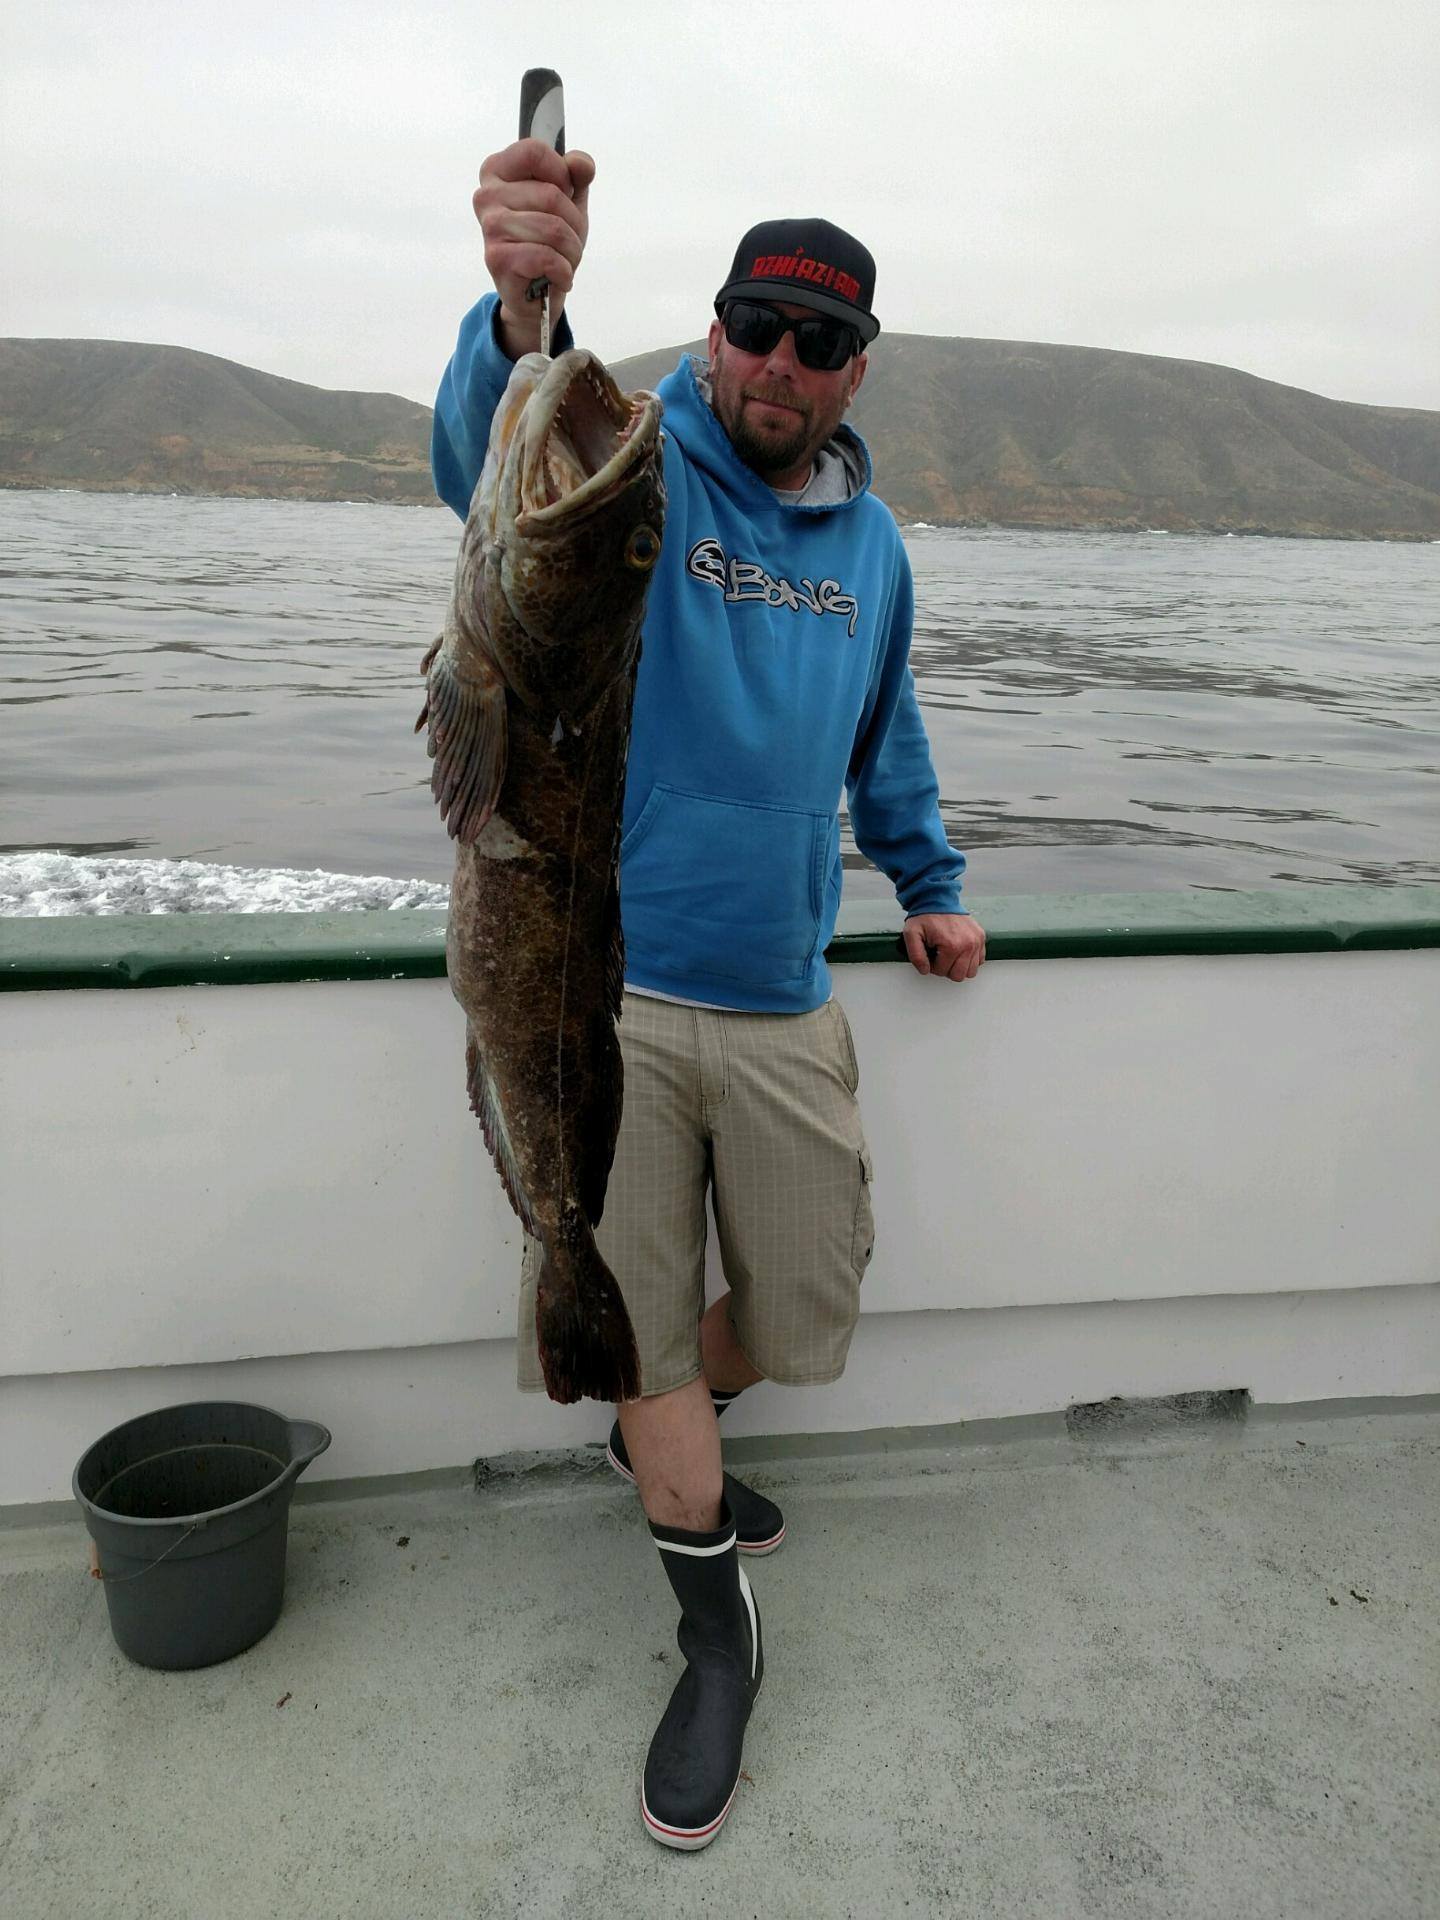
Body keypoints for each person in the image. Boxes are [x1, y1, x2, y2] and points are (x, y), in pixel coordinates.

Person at [431, 137, 986, 1852]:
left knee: (811, 1308)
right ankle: (708, 1617)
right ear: (719, 327)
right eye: (756, 326)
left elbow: (885, 735)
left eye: (820, 345)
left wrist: (934, 884)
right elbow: (490, 463)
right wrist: (521, 302)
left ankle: (657, 1421)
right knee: (637, 1314)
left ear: (855, 369)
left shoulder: (875, 545)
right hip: (607, 991)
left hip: (782, 991)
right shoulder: (643, 466)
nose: (779, 366)